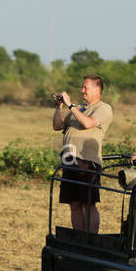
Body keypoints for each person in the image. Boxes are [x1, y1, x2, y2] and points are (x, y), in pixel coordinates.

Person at [52, 74, 113, 233]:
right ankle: (79, 238)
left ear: (97, 89)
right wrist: (59, 106)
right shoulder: (79, 108)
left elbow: (87, 123)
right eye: (82, 87)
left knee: (88, 202)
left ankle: (91, 239)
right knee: (74, 203)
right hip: (69, 159)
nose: (82, 90)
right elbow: (57, 125)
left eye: (85, 87)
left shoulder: (103, 108)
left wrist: (70, 105)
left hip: (86, 161)